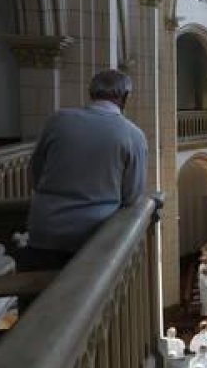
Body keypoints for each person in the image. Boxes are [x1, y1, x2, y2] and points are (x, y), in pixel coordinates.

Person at [22, 70, 147, 270]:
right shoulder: (133, 135)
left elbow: (35, 173)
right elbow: (132, 195)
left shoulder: (58, 121)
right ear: (125, 97)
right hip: (94, 236)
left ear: (91, 93)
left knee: (39, 297)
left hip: (45, 231)